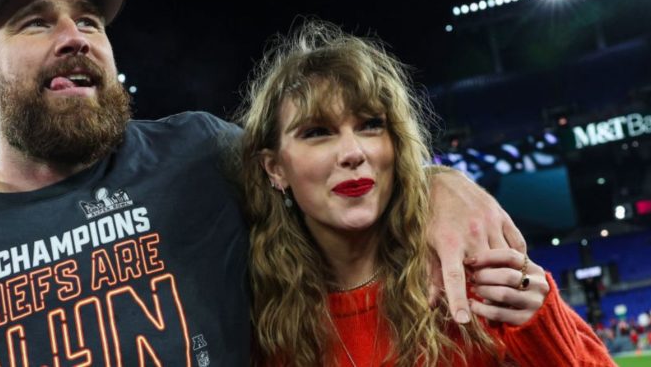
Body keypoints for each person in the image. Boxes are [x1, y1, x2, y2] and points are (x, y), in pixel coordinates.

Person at [0, 0, 523, 366]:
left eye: (89, 19)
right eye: (35, 21)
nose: (74, 34)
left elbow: (326, 160)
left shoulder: (198, 155)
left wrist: (437, 180)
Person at [237, 19, 615, 366]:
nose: (353, 153)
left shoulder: (468, 273)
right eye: (317, 132)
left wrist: (542, 328)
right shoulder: (254, 316)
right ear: (275, 168)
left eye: (370, 125)